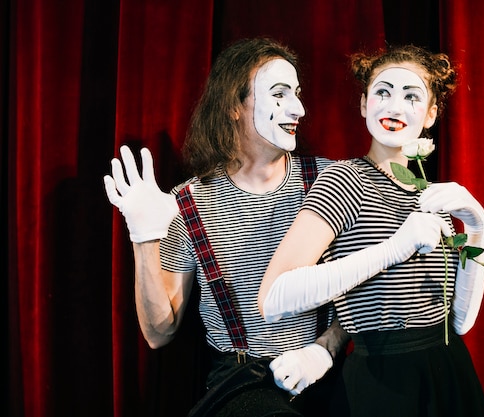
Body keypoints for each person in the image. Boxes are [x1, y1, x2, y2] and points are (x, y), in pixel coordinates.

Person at [104, 37, 349, 417]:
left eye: (297, 93)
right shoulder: (188, 203)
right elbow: (158, 332)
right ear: (234, 107)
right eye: (280, 94)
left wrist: (324, 348)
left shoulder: (331, 181)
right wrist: (143, 237)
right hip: (242, 382)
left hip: (327, 370)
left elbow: (372, 298)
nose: (299, 108)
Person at [258, 44, 484, 416]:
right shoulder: (344, 179)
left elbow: (460, 322)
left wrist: (479, 226)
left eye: (411, 96)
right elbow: (273, 299)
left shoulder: (432, 195)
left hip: (450, 374)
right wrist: (394, 248)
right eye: (383, 93)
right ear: (365, 104)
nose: (395, 107)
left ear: (430, 114)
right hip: (382, 382)